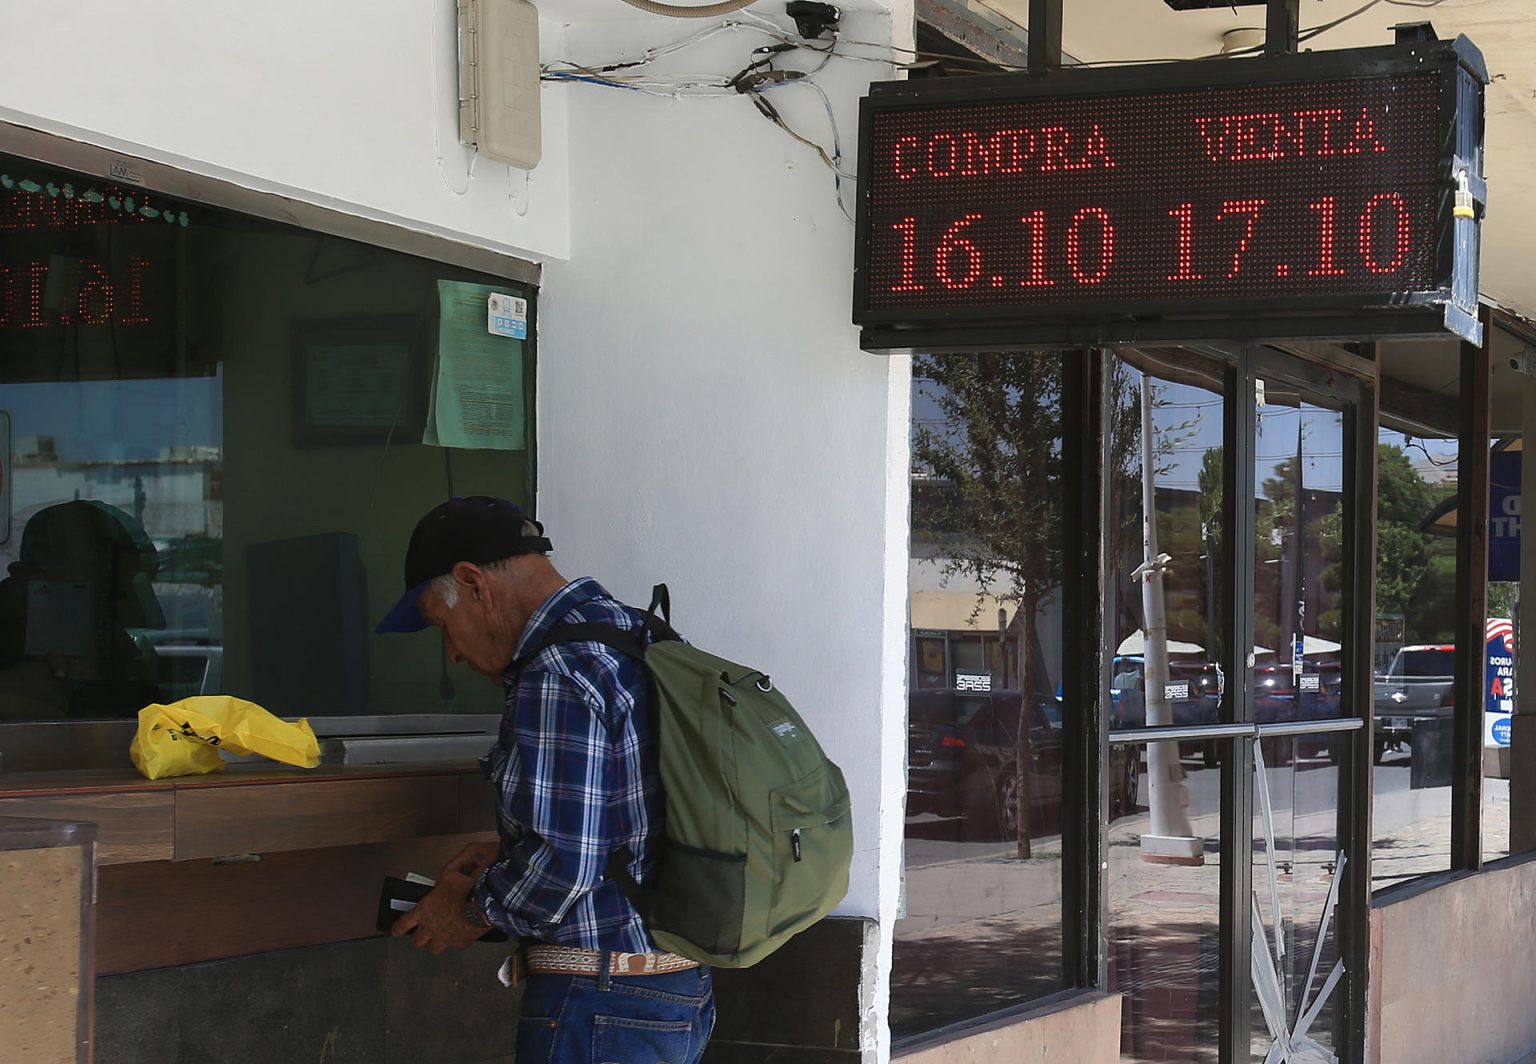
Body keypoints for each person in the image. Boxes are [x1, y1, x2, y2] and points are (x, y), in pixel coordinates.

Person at [376, 496, 714, 1062]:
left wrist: (464, 910)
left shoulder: (558, 671)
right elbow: (626, 816)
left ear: (473, 582)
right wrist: (510, 850)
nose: (452, 653)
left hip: (602, 1000)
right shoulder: (635, 632)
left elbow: (562, 867)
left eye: (442, 623)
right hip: (672, 988)